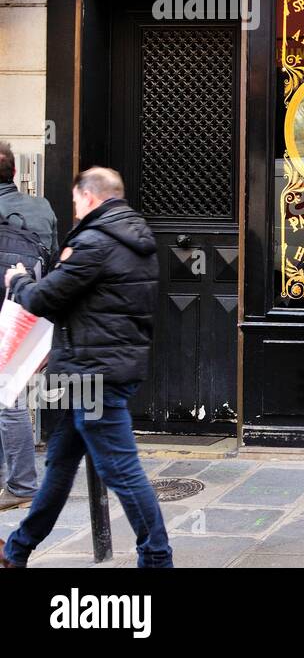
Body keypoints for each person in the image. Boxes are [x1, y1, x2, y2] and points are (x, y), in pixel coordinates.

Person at [1, 167, 173, 568]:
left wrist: (18, 280)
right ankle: (17, 550)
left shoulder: (95, 242)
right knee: (59, 466)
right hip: (103, 370)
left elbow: (46, 298)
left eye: (77, 200)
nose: (75, 208)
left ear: (89, 197)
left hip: (94, 374)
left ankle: (157, 557)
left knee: (122, 472)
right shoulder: (134, 236)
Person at [0, 142, 57, 513]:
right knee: (10, 393)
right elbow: (51, 259)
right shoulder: (42, 207)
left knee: (8, 399)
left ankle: (22, 483)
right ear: (16, 173)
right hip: (26, 310)